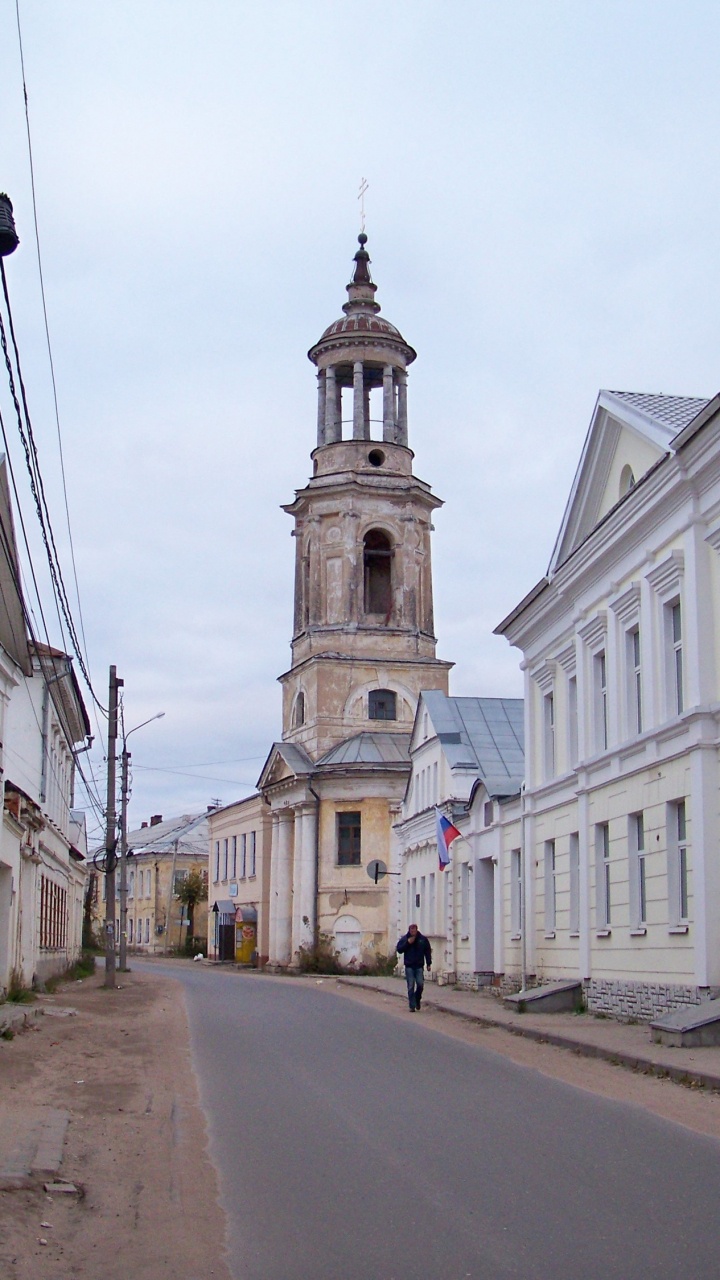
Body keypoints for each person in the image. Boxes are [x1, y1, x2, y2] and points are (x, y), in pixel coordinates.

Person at [396, 922, 432, 1011]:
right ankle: (412, 1006)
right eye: (411, 930)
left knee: (420, 984)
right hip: (409, 966)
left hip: (419, 965)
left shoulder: (422, 939)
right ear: (409, 930)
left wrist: (428, 963)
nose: (413, 932)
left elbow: (427, 951)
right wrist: (408, 943)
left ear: (416, 930)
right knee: (411, 986)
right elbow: (399, 949)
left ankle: (417, 999)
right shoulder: (405, 939)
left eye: (414, 930)